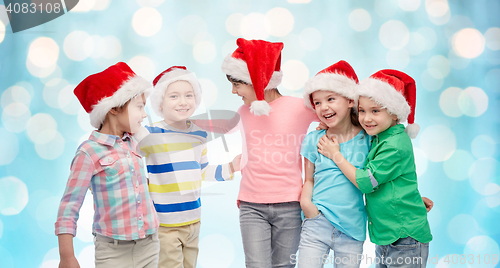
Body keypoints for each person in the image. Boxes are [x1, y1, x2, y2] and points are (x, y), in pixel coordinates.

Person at [318, 69, 432, 268]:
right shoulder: (382, 135)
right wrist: (331, 126)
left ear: (395, 113)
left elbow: (366, 182)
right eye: (362, 111)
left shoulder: (394, 145)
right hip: (389, 234)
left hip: (405, 238)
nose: (367, 119)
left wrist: (335, 154)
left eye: (375, 111)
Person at [220, 38, 318, 268]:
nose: (233, 91)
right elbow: (213, 129)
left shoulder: (300, 108)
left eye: (237, 84)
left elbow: (336, 116)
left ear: (258, 79)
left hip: (290, 205)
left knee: (285, 265)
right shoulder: (243, 112)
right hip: (251, 206)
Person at [134, 66, 241, 268]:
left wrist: (231, 167)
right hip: (164, 223)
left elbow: (202, 170)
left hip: (193, 219)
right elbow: (129, 159)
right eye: (174, 96)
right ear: (160, 103)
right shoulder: (149, 133)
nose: (183, 102)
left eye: (188, 95)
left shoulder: (199, 134)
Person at [55, 62, 160, 268]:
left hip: (150, 244)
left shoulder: (136, 142)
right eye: (139, 107)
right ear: (113, 108)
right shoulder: (89, 152)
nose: (145, 114)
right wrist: (67, 257)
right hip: (112, 251)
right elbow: (69, 206)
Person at [298, 61, 369, 268]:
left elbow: (379, 177)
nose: (323, 107)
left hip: (352, 228)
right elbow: (309, 179)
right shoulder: (314, 139)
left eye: (330, 99)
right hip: (316, 222)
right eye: (317, 103)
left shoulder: (368, 140)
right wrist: (306, 205)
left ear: (349, 101)